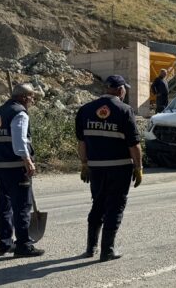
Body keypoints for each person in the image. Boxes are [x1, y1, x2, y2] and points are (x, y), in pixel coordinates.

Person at [76, 75, 143, 261]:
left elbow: (81, 142)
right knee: (115, 207)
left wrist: (84, 163)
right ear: (121, 90)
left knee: (97, 205)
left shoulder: (85, 110)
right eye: (125, 89)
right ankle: (107, 251)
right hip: (119, 169)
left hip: (96, 169)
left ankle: (91, 249)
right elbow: (134, 144)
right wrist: (138, 167)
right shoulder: (124, 110)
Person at [0, 83, 45, 257]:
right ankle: (23, 245)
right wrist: (28, 161)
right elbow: (19, 140)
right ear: (23, 97)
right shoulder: (19, 113)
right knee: (22, 206)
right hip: (16, 166)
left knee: (4, 206)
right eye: (31, 97)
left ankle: (5, 243)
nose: (33, 100)